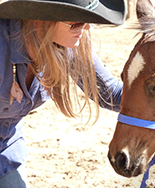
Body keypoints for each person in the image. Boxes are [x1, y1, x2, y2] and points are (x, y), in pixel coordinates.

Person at [0, 0, 125, 187]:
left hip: (7, 150)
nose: (87, 27)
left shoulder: (71, 44)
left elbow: (111, 94)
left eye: (86, 19)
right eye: (76, 23)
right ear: (39, 21)